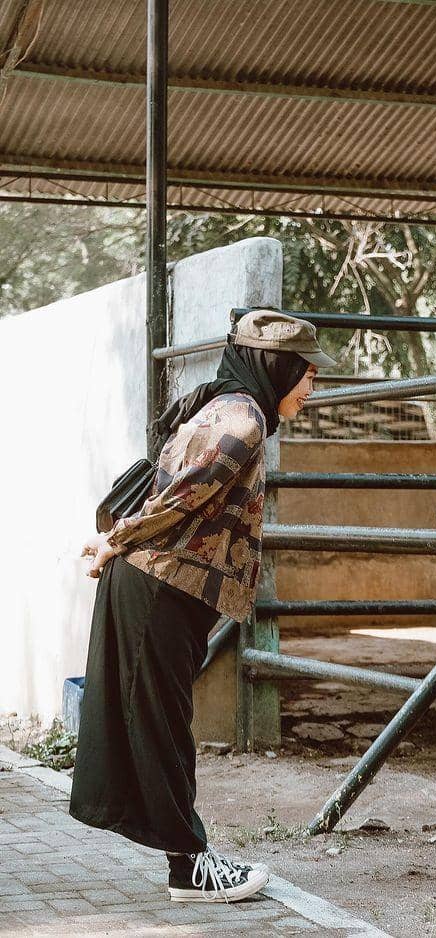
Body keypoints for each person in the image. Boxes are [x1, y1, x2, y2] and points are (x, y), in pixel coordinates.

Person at [71, 309, 336, 903]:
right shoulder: (241, 420)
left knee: (160, 722)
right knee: (161, 726)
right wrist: (118, 538)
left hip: (162, 585)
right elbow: (182, 494)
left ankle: (186, 862)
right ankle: (190, 867)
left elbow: (172, 492)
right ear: (280, 366)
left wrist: (118, 536)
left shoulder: (229, 410)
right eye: (307, 374)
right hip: (160, 585)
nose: (313, 386)